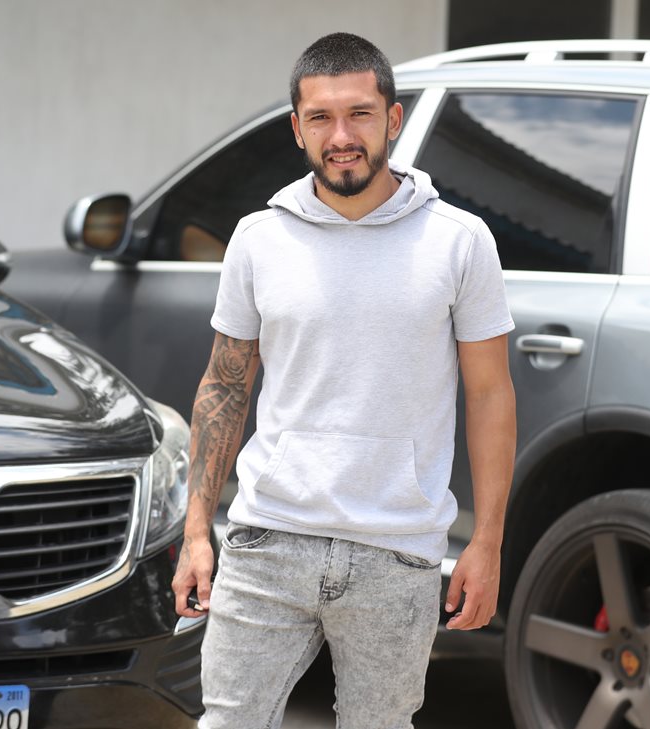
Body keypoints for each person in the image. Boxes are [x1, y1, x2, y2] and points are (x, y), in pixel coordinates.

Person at [171, 32, 517, 729]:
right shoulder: (258, 239)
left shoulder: (459, 241)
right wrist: (196, 533)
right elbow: (225, 386)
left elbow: (489, 394)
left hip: (398, 551)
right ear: (297, 128)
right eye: (321, 118)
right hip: (268, 540)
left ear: (393, 119)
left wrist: (487, 543)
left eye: (360, 114)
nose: (342, 137)